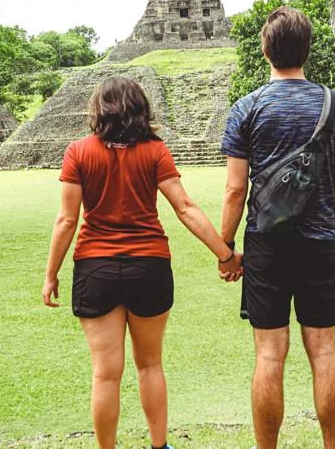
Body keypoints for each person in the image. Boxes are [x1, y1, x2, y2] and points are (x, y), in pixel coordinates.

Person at [42, 76, 242, 449]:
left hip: (95, 268)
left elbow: (67, 219)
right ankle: (159, 446)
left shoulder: (79, 152)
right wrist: (226, 254)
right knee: (150, 364)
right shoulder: (154, 151)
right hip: (148, 266)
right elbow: (184, 207)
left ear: (98, 110)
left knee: (105, 375)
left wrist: (51, 274)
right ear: (139, 109)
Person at [220, 7, 335, 449]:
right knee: (325, 351)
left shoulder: (247, 108)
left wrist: (226, 246)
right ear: (307, 49)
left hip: (267, 245)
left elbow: (235, 190)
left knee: (268, 354)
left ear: (265, 50)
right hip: (319, 244)